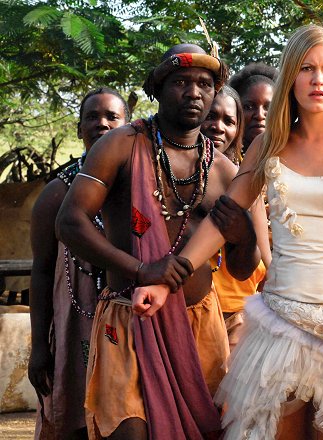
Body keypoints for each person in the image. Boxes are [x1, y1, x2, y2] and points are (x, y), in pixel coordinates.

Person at [134, 24, 323, 440]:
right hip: (281, 323)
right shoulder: (269, 146)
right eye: (307, 68)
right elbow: (224, 219)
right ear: (291, 75)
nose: (318, 80)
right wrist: (171, 278)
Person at [55, 43, 261, 439]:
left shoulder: (223, 171)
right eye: (181, 82)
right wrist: (142, 269)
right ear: (157, 88)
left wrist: (243, 238)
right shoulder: (120, 146)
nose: (194, 93)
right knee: (127, 431)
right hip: (127, 316)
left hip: (200, 326)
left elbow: (240, 268)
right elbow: (70, 222)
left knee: (209, 429)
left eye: (204, 84)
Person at [28, 87, 129, 440]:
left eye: (112, 117)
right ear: (79, 129)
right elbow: (40, 271)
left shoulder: (140, 186)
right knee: (74, 419)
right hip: (76, 321)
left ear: (127, 127)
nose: (102, 123)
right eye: (92, 117)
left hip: (128, 321)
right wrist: (40, 345)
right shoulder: (57, 193)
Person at [201, 85, 272, 351]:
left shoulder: (247, 181)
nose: (218, 127)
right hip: (190, 311)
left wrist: (244, 235)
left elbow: (256, 262)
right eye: (211, 116)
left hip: (239, 314)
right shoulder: (176, 176)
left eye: (229, 121)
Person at [228, 62, 278, 154]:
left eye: (269, 107)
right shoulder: (215, 159)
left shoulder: (292, 156)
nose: (259, 115)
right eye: (249, 107)